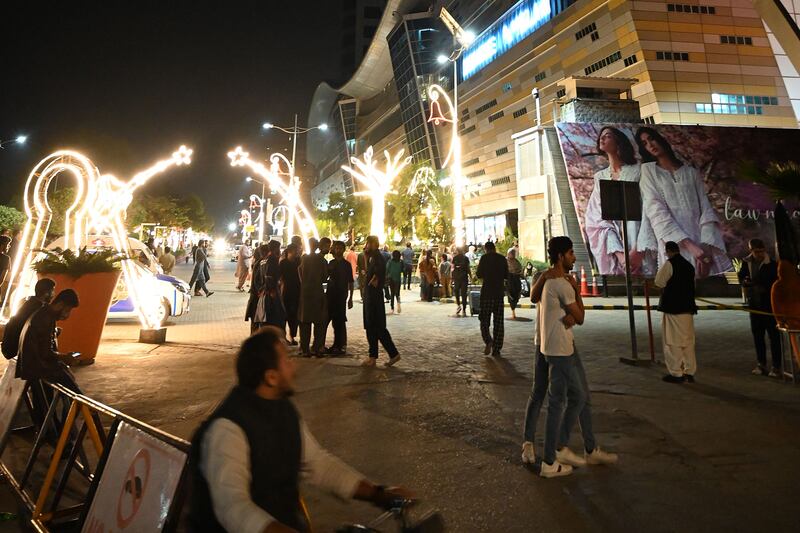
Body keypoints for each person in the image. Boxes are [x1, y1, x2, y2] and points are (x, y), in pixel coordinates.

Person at [189, 327, 412, 532]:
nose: (293, 366)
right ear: (271, 377)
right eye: (286, 360)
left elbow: (318, 464)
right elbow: (233, 507)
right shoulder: (227, 428)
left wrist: (378, 494)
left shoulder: (283, 409)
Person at [522, 250, 617, 471]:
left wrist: (573, 310)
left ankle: (588, 448)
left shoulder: (566, 281)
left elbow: (575, 313)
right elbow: (534, 298)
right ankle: (534, 444)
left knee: (581, 394)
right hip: (545, 344)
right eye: (571, 253)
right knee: (541, 393)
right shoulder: (544, 278)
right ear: (560, 255)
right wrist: (547, 277)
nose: (574, 257)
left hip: (565, 343)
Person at [636, 127, 731, 278]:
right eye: (645, 143)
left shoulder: (690, 172)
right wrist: (690, 246)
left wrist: (704, 248)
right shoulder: (648, 171)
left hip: (701, 243)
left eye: (652, 139)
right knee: (680, 290)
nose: (650, 145)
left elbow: (705, 209)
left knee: (708, 294)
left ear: (660, 139)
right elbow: (656, 212)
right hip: (673, 244)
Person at [584, 126, 657, 277]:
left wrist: (638, 251)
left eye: (608, 136)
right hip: (617, 248)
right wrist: (621, 255)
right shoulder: (600, 177)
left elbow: (651, 207)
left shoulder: (639, 170)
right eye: (601, 136)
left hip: (642, 241)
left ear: (619, 142)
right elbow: (598, 219)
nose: (602, 138)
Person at [16, 289, 82, 392]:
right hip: (36, 367)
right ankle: (81, 406)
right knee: (74, 390)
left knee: (66, 374)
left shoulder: (43, 313)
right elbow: (46, 353)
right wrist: (65, 357)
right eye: (68, 310)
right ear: (60, 305)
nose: (67, 315)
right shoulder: (45, 319)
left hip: (31, 364)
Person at [654, 240, 698, 383]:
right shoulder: (689, 265)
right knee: (688, 341)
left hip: (673, 308)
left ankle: (676, 373)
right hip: (688, 308)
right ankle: (689, 371)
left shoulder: (670, 264)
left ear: (667, 251)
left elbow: (659, 282)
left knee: (672, 341)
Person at [738, 238, 782, 377]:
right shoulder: (746, 262)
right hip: (754, 305)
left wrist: (761, 286)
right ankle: (761, 364)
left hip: (769, 306)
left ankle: (776, 366)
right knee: (758, 336)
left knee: (774, 337)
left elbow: (776, 283)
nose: (759, 254)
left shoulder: (773, 264)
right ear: (751, 250)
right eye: (756, 252)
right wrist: (744, 282)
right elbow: (741, 276)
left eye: (761, 251)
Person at [361, 236, 400, 368]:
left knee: (375, 327)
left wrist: (371, 285)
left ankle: (381, 355)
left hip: (374, 298)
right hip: (372, 297)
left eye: (367, 243)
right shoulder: (374, 258)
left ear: (373, 244)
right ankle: (380, 355)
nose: (366, 246)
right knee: (374, 328)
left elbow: (375, 279)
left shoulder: (378, 259)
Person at [2, 278, 56, 360]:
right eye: (52, 291)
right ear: (46, 293)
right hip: (22, 349)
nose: (53, 294)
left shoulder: (28, 304)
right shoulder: (40, 310)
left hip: (11, 348)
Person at [298, 238, 330, 356]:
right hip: (317, 292)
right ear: (317, 246)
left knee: (305, 322)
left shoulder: (304, 258)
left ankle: (304, 349)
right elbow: (325, 277)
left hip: (305, 293)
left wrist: (304, 282)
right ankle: (316, 347)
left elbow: (299, 272)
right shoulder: (321, 260)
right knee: (319, 322)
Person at [477, 241, 508, 357]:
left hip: (487, 294)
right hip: (498, 294)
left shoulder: (484, 258)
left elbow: (479, 274)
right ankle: (497, 349)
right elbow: (506, 275)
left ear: (486, 249)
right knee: (499, 322)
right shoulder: (502, 259)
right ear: (494, 248)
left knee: (484, 320)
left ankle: (488, 341)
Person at [325, 241, 354, 355]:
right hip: (331, 295)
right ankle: (335, 345)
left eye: (340, 248)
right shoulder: (330, 263)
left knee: (340, 321)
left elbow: (350, 282)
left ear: (343, 250)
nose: (337, 250)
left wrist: (351, 297)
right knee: (329, 319)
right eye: (336, 248)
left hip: (341, 296)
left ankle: (340, 345)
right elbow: (324, 278)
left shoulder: (346, 265)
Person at [258, 241, 286, 330]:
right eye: (278, 248)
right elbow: (269, 276)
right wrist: (272, 290)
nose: (279, 250)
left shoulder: (263, 260)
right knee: (276, 317)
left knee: (267, 317)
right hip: (271, 292)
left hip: (264, 291)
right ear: (275, 249)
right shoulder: (272, 259)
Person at [279, 244, 301, 345]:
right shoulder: (283, 263)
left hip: (297, 291)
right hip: (286, 291)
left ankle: (292, 336)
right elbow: (280, 278)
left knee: (294, 316)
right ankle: (283, 337)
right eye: (296, 250)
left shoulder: (298, 262)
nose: (297, 252)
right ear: (290, 251)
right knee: (284, 315)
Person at [246, 244, 270, 333]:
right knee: (256, 319)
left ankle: (254, 338)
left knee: (256, 319)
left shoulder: (258, 262)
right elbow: (257, 280)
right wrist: (261, 290)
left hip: (256, 295)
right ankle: (254, 340)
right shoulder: (260, 263)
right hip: (257, 296)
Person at [452, 246, 471, 316]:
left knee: (457, 291)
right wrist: (471, 276)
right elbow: (468, 268)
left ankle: (459, 306)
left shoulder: (456, 258)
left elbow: (453, 268)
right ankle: (463, 309)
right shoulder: (465, 258)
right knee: (463, 293)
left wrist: (452, 277)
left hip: (458, 278)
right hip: (463, 278)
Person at [507, 249, 523, 320]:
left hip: (516, 279)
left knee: (517, 293)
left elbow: (520, 269)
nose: (513, 254)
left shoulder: (516, 261)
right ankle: (513, 312)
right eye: (512, 253)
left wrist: (518, 272)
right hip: (509, 280)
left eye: (514, 253)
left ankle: (513, 311)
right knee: (511, 295)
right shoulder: (505, 261)